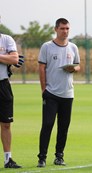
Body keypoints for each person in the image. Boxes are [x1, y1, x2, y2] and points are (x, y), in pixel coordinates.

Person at [37, 18, 80, 167]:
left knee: (63, 127)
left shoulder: (73, 47)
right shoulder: (47, 47)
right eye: (62, 28)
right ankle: (42, 157)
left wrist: (73, 68)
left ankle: (59, 156)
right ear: (56, 29)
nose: (65, 31)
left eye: (67, 28)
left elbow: (78, 66)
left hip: (68, 94)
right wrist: (44, 89)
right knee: (47, 124)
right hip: (51, 93)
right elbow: (41, 68)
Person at [0, 29, 22, 168]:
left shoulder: (6, 39)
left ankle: (8, 159)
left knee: (6, 124)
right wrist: (4, 57)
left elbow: (15, 59)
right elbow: (9, 58)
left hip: (3, 84)